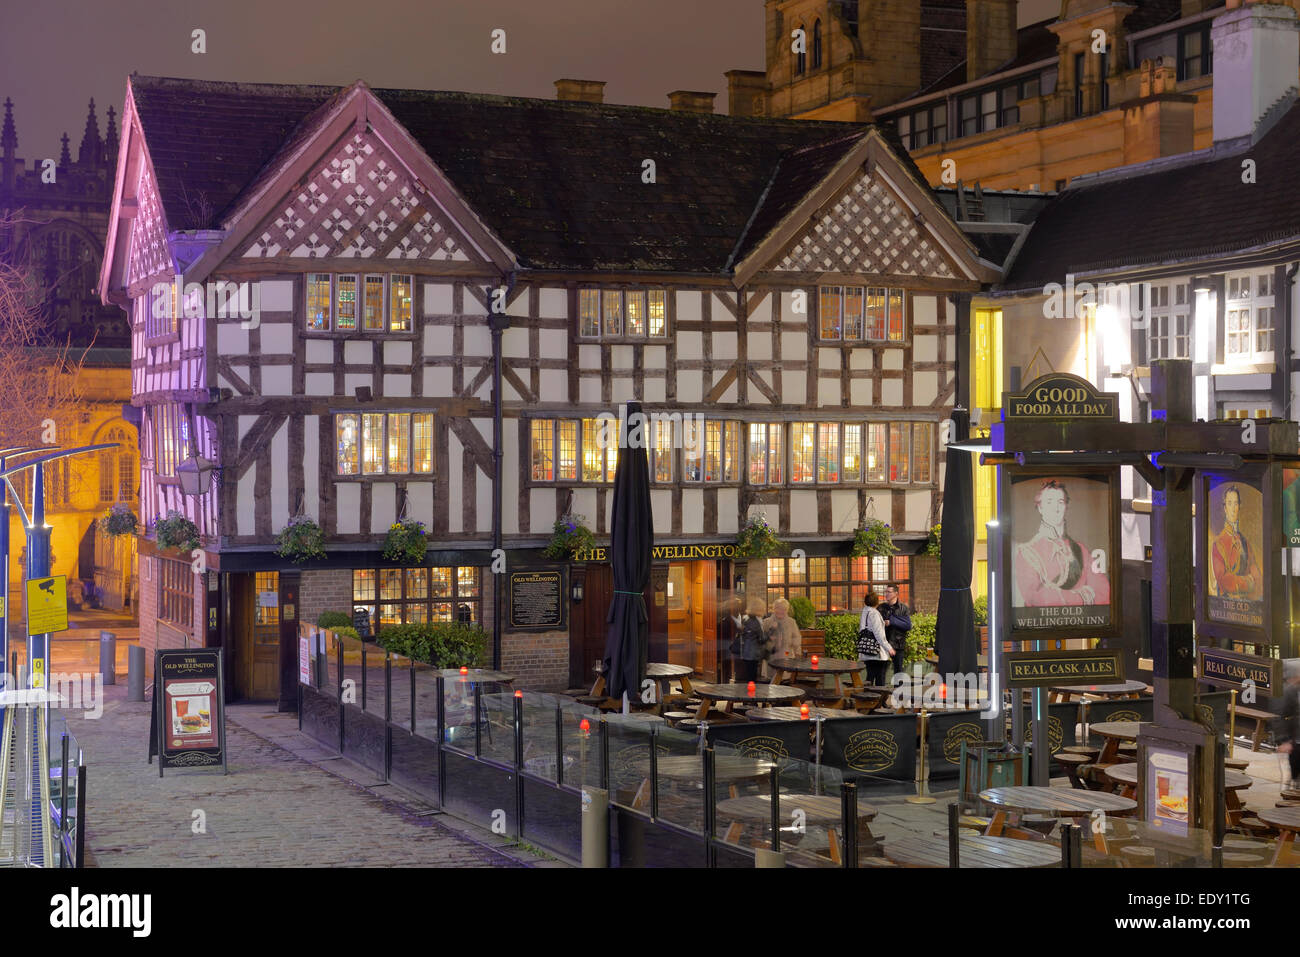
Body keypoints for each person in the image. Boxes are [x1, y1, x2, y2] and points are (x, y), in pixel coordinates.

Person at [1012, 479, 1111, 608]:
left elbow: (1104, 592)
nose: (1056, 508)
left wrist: (1061, 595)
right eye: (1049, 502)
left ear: (1066, 507)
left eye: (1060, 502)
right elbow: (1039, 599)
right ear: (1040, 508)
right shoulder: (1027, 552)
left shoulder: (1081, 550)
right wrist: (1084, 595)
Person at [1211, 484, 1262, 601]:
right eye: (1229, 503)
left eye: (1236, 503)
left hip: (1248, 602)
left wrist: (1254, 587)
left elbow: (1257, 576)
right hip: (1227, 603)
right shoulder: (1218, 543)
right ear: (1225, 508)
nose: (1233, 509)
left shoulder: (1245, 542)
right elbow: (1223, 580)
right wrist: (1247, 583)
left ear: (1239, 506)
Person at [857, 592, 892, 686]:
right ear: (876, 602)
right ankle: (880, 700)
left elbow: (862, 630)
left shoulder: (865, 612)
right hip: (877, 652)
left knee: (870, 677)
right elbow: (879, 634)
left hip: (866, 650)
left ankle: (868, 699)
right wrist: (889, 648)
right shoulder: (874, 614)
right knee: (880, 678)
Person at [1275, 660, 1300, 788]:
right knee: (1293, 778)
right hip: (1294, 742)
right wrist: (1283, 740)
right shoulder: (1287, 691)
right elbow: (1279, 716)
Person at [879, 584, 912, 680]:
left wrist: (892, 621)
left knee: (898, 672)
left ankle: (899, 693)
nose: (886, 594)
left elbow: (907, 625)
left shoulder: (903, 608)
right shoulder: (881, 608)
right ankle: (881, 693)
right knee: (881, 671)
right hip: (884, 644)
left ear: (896, 593)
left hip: (898, 643)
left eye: (889, 592)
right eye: (886, 592)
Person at [736, 596, 770, 684]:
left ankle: (750, 693)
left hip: (746, 651)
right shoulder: (755, 622)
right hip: (753, 653)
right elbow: (761, 639)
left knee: (749, 676)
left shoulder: (746, 619)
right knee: (752, 678)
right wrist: (770, 633)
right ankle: (751, 696)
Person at [762, 598, 803, 672]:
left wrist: (797, 651)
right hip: (772, 656)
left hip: (787, 654)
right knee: (772, 679)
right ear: (774, 609)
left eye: (783, 609)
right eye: (778, 608)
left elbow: (796, 637)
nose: (781, 611)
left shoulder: (791, 622)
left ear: (787, 610)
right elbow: (762, 638)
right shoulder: (766, 622)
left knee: (785, 679)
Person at [720, 597, 745, 682]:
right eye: (735, 607)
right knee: (727, 669)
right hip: (730, 649)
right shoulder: (725, 622)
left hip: (744, 649)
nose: (737, 608)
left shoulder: (745, 618)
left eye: (739, 606)